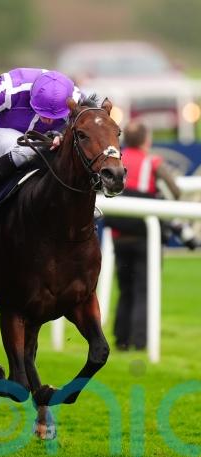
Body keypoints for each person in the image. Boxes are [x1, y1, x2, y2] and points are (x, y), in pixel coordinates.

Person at [105, 121, 195, 351]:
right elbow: (175, 190)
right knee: (143, 290)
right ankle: (140, 341)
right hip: (144, 237)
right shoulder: (152, 162)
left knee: (125, 289)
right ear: (146, 140)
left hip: (118, 237)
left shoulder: (115, 161)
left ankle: (121, 340)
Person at [0, 68, 81, 199]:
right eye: (44, 114)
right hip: (1, 133)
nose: (49, 121)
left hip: (44, 141)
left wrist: (62, 134)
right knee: (29, 150)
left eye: (55, 115)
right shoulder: (11, 88)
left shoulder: (75, 98)